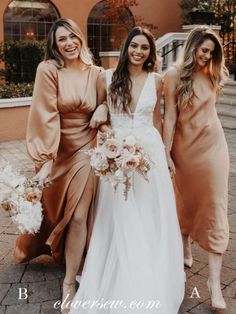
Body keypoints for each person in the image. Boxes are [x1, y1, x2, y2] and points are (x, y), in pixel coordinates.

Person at [69, 26, 185, 314]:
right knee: (117, 213)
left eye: (144, 48)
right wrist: (106, 126)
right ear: (126, 48)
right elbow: (101, 111)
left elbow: (158, 121)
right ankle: (116, 267)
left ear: (151, 53)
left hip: (149, 152)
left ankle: (149, 266)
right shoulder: (106, 77)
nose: (138, 52)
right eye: (134, 46)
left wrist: (166, 154)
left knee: (149, 213)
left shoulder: (158, 81)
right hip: (115, 152)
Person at [13, 18, 107, 313]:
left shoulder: (97, 73)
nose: (68, 43)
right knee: (53, 209)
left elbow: (108, 106)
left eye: (71, 37)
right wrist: (44, 161)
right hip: (57, 148)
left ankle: (69, 282)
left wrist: (103, 107)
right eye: (61, 40)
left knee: (79, 214)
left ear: (80, 38)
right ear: (54, 46)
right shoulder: (49, 70)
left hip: (87, 149)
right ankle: (59, 250)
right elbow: (45, 115)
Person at [163, 26, 229, 310]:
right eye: (203, 51)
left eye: (212, 52)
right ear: (191, 48)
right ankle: (185, 244)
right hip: (184, 151)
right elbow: (169, 118)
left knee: (215, 206)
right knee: (185, 201)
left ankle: (214, 285)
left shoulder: (213, 74)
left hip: (214, 149)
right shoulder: (173, 76)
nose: (207, 57)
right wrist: (166, 153)